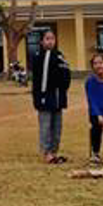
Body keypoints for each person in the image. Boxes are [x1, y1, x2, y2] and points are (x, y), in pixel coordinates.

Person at [32, 30, 71, 165]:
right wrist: (38, 98)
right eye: (47, 39)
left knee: (57, 126)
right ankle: (46, 152)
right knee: (46, 126)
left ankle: (54, 151)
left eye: (52, 38)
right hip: (44, 97)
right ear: (41, 41)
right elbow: (37, 80)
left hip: (58, 97)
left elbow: (66, 75)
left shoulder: (60, 56)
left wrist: (63, 91)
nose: (50, 41)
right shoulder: (38, 56)